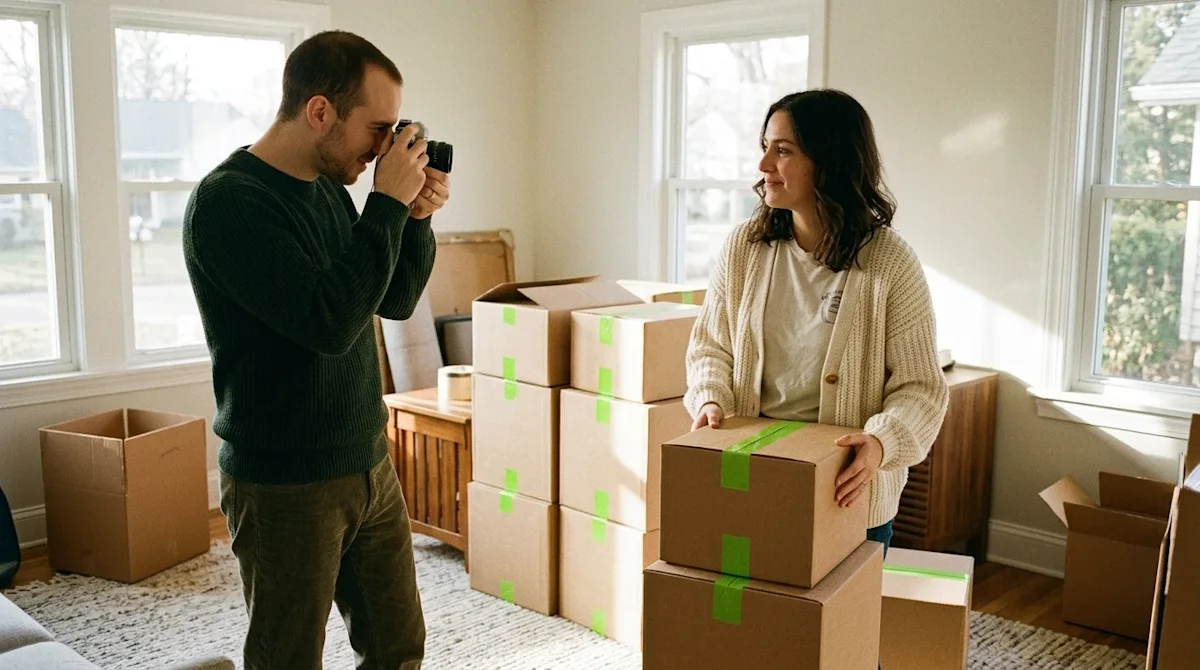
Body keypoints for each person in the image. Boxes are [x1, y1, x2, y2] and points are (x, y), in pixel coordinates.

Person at [183, 30, 448, 670]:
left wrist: (414, 218)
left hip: (368, 462)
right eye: (377, 129)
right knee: (288, 657)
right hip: (284, 483)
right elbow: (328, 322)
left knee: (397, 648)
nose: (385, 148)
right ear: (320, 111)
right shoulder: (228, 203)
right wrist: (385, 202)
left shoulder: (330, 186)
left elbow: (392, 300)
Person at [684, 88, 949, 558]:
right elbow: (711, 347)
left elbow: (921, 388)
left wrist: (881, 442)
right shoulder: (745, 248)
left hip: (845, 494)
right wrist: (711, 398)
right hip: (753, 475)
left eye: (782, 150)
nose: (764, 165)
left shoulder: (890, 264)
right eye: (764, 147)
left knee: (841, 630)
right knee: (752, 621)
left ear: (829, 162)